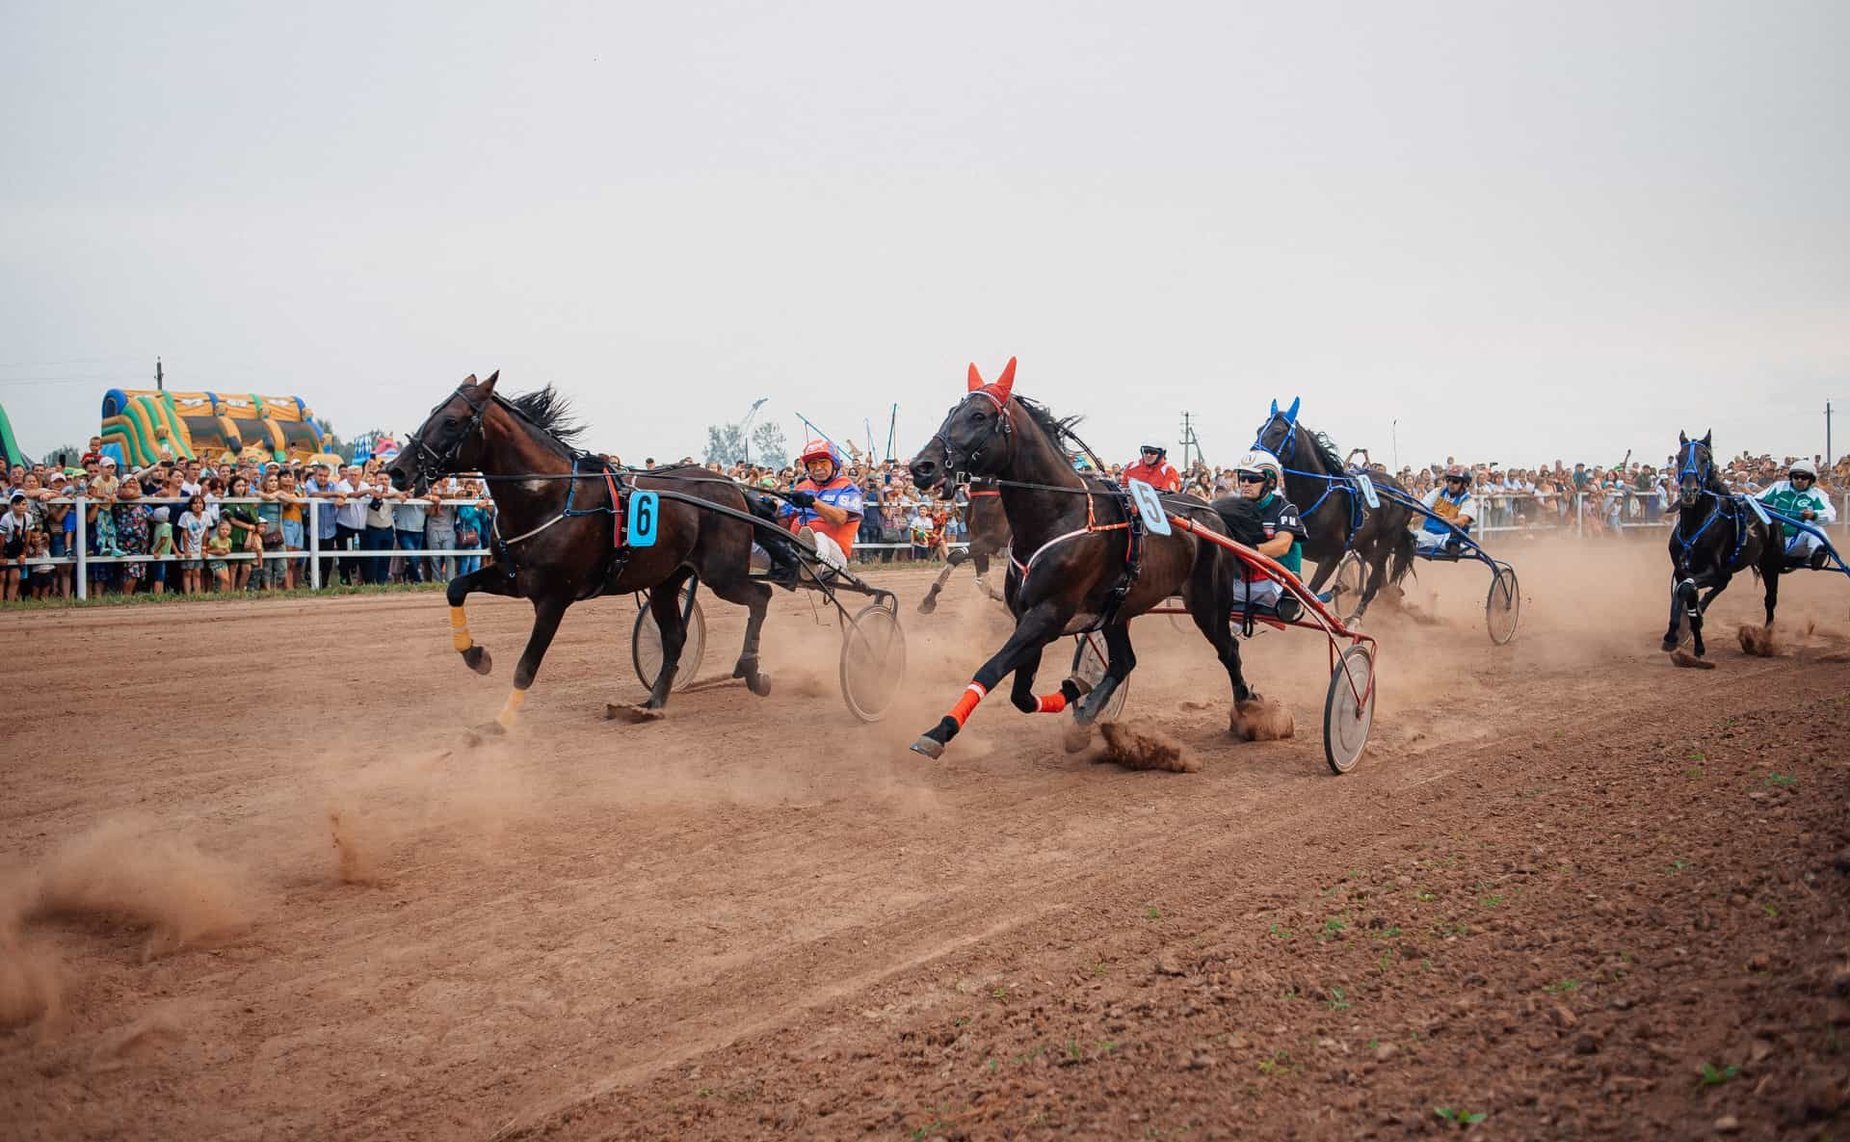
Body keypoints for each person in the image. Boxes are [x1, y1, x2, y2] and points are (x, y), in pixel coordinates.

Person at [1229, 450, 1308, 620]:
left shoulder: (1284, 508)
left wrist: (1249, 550)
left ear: (1270, 481)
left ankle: (1290, 597)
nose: (1245, 483)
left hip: (1276, 582)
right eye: (1242, 477)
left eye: (1253, 478)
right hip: (1242, 582)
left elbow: (1283, 545)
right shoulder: (1235, 508)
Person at [775, 439, 864, 581]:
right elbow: (783, 515)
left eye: (823, 462)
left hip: (834, 556)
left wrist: (813, 502)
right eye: (812, 463)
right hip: (796, 551)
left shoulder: (848, 488)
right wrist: (769, 507)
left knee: (818, 537)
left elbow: (840, 519)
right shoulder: (802, 487)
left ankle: (811, 564)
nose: (817, 467)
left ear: (834, 463)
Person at [1758, 459, 1837, 569]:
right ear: (1791, 477)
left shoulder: (1817, 495)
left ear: (1811, 479)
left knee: (1816, 529)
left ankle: (1818, 554)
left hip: (1797, 543)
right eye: (1796, 476)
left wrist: (1813, 515)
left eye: (1804, 477)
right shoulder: (1778, 487)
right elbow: (1755, 501)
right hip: (1772, 541)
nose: (1799, 480)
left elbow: (1830, 514)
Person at [1413, 465, 1477, 552]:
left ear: (1464, 484)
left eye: (1455, 481)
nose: (1450, 483)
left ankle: (1453, 546)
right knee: (1409, 538)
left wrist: (1449, 521)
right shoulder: (1438, 492)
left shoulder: (1467, 500)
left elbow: (1462, 520)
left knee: (1454, 539)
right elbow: (1419, 509)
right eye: (1448, 480)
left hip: (1448, 535)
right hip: (1429, 534)